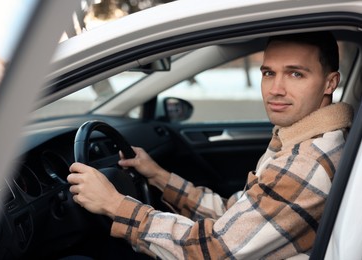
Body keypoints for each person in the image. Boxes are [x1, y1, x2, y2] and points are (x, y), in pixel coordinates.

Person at [67, 31, 354, 259]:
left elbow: (211, 251)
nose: (276, 89)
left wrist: (114, 205)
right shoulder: (302, 141)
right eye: (268, 73)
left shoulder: (304, 162)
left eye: (295, 74)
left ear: (330, 83)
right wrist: (159, 177)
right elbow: (235, 214)